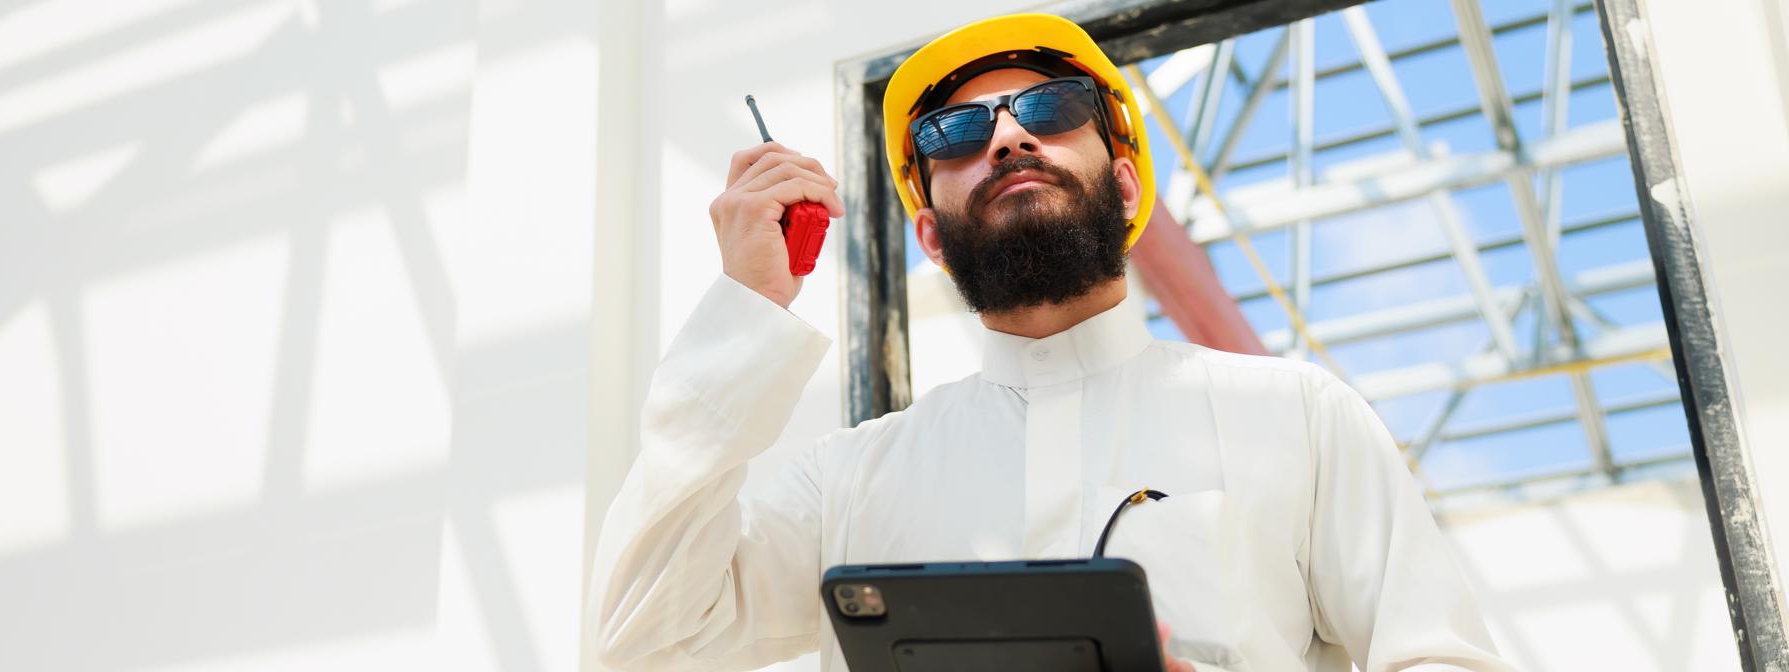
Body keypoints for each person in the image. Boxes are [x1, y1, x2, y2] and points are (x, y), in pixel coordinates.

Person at [589, 12, 1512, 672]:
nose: (1003, 139)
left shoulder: (1296, 414)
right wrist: (746, 309)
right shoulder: (847, 479)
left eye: (1050, 110)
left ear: (1122, 186)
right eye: (953, 131)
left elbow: (1444, 658)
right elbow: (642, 644)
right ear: (931, 235)